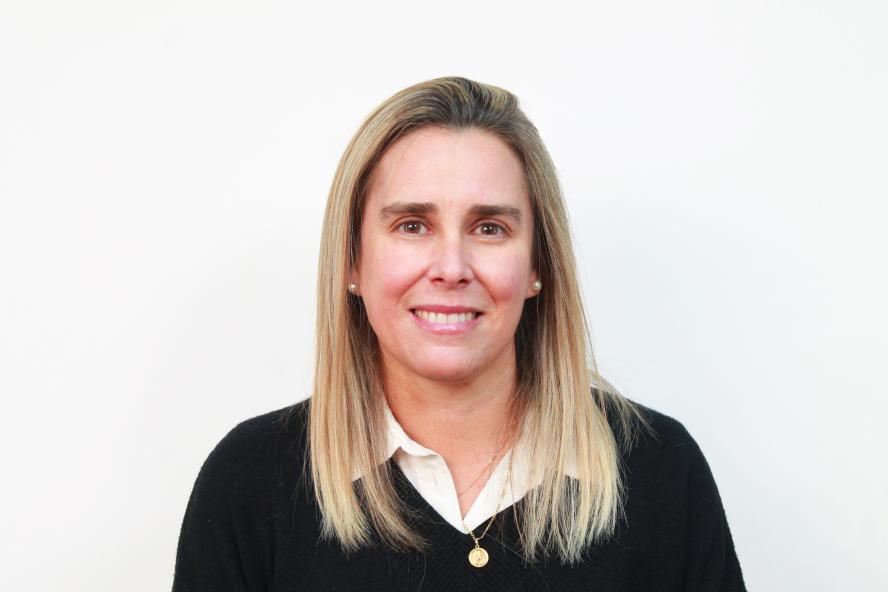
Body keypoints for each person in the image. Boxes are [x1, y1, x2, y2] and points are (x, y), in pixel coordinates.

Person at [172, 76, 746, 591]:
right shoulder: (251, 482)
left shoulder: (658, 470)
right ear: (352, 260)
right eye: (413, 225)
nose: (451, 267)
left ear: (538, 265)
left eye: (490, 227)